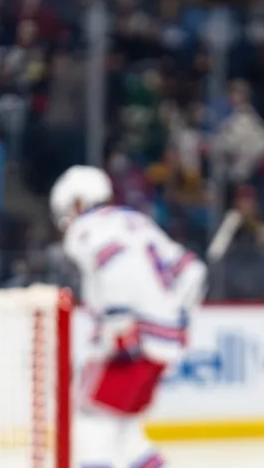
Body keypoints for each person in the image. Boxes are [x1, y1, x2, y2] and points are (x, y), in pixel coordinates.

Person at [50, 165, 207, 467]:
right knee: (126, 434)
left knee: (91, 424)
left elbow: (117, 266)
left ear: (79, 202)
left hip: (130, 340)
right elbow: (193, 271)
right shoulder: (138, 221)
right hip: (164, 344)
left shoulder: (86, 228)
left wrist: (120, 322)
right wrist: (175, 319)